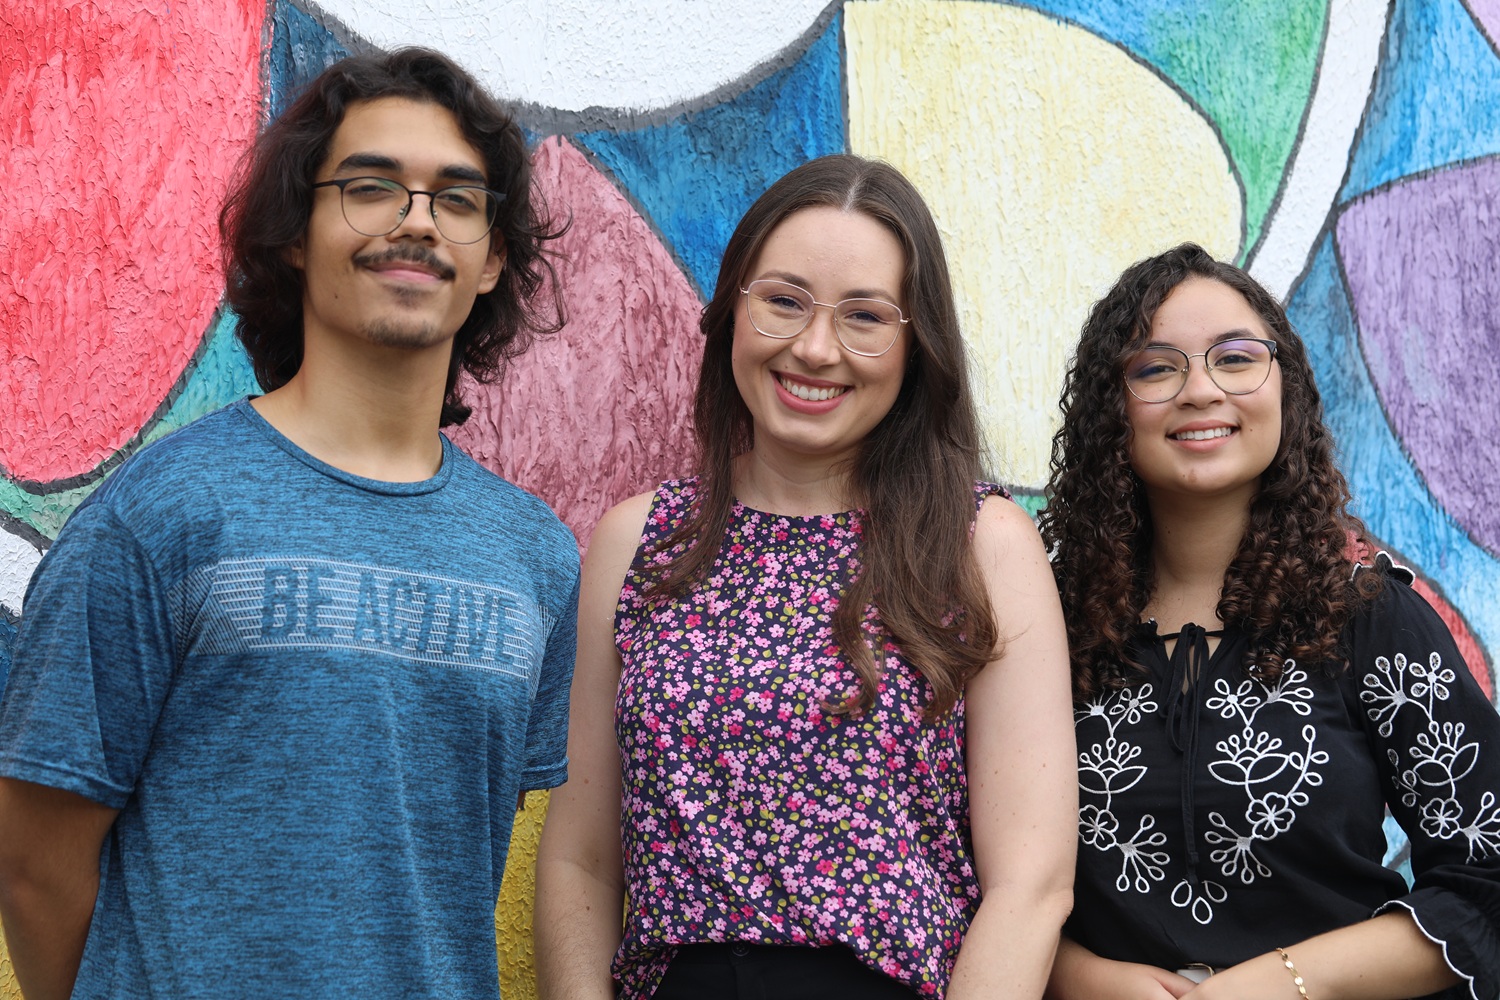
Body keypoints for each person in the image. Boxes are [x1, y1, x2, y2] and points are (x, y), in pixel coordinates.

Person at [0, 48, 578, 1000]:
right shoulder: (162, 514)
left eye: (457, 199)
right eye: (371, 186)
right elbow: (33, 860)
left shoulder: (535, 559)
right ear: (298, 232)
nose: (416, 221)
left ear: (492, 260)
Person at [534, 154, 1076, 1000]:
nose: (816, 348)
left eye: (865, 316)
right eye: (784, 301)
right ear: (734, 313)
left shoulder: (983, 544)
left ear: (914, 343)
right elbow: (581, 859)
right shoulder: (639, 542)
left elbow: (1031, 886)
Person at [1039, 243, 1500, 1000]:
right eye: (1156, 368)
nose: (1200, 390)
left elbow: (1485, 883)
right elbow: (957, 876)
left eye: (1236, 358)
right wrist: (1084, 979)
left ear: (1285, 387)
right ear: (1108, 410)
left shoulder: (1370, 619)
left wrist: (1279, 983)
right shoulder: (1045, 628)